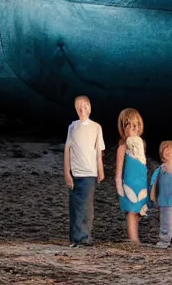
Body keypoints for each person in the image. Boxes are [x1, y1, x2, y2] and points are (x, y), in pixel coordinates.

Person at [63, 95, 105, 247]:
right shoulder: (72, 127)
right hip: (76, 173)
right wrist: (67, 171)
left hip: (89, 172)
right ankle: (75, 237)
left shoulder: (96, 127)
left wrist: (101, 171)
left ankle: (84, 237)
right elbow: (68, 149)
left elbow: (98, 151)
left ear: (90, 107)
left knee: (86, 205)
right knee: (74, 205)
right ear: (75, 109)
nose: (82, 109)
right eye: (79, 106)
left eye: (85, 106)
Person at [115, 108, 148, 243]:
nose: (133, 128)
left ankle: (135, 237)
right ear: (123, 128)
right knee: (131, 210)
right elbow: (118, 171)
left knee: (138, 211)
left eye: (136, 124)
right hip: (129, 184)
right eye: (129, 125)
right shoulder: (123, 148)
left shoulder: (141, 145)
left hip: (141, 183)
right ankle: (133, 239)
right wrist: (120, 189)